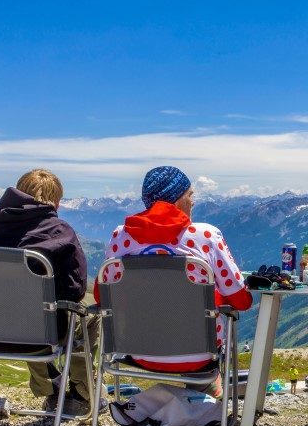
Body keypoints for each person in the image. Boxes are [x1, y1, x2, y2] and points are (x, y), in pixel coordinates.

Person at [95, 166, 252, 397]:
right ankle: (204, 397)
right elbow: (241, 301)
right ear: (176, 199)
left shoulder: (121, 236)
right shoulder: (205, 236)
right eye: (190, 195)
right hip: (200, 354)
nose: (193, 202)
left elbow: (102, 296)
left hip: (137, 350)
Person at [0, 169, 100, 415]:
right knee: (87, 320)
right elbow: (76, 290)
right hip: (42, 332)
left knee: (22, 313)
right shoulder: (60, 231)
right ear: (56, 201)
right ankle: (82, 392)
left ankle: (50, 391)